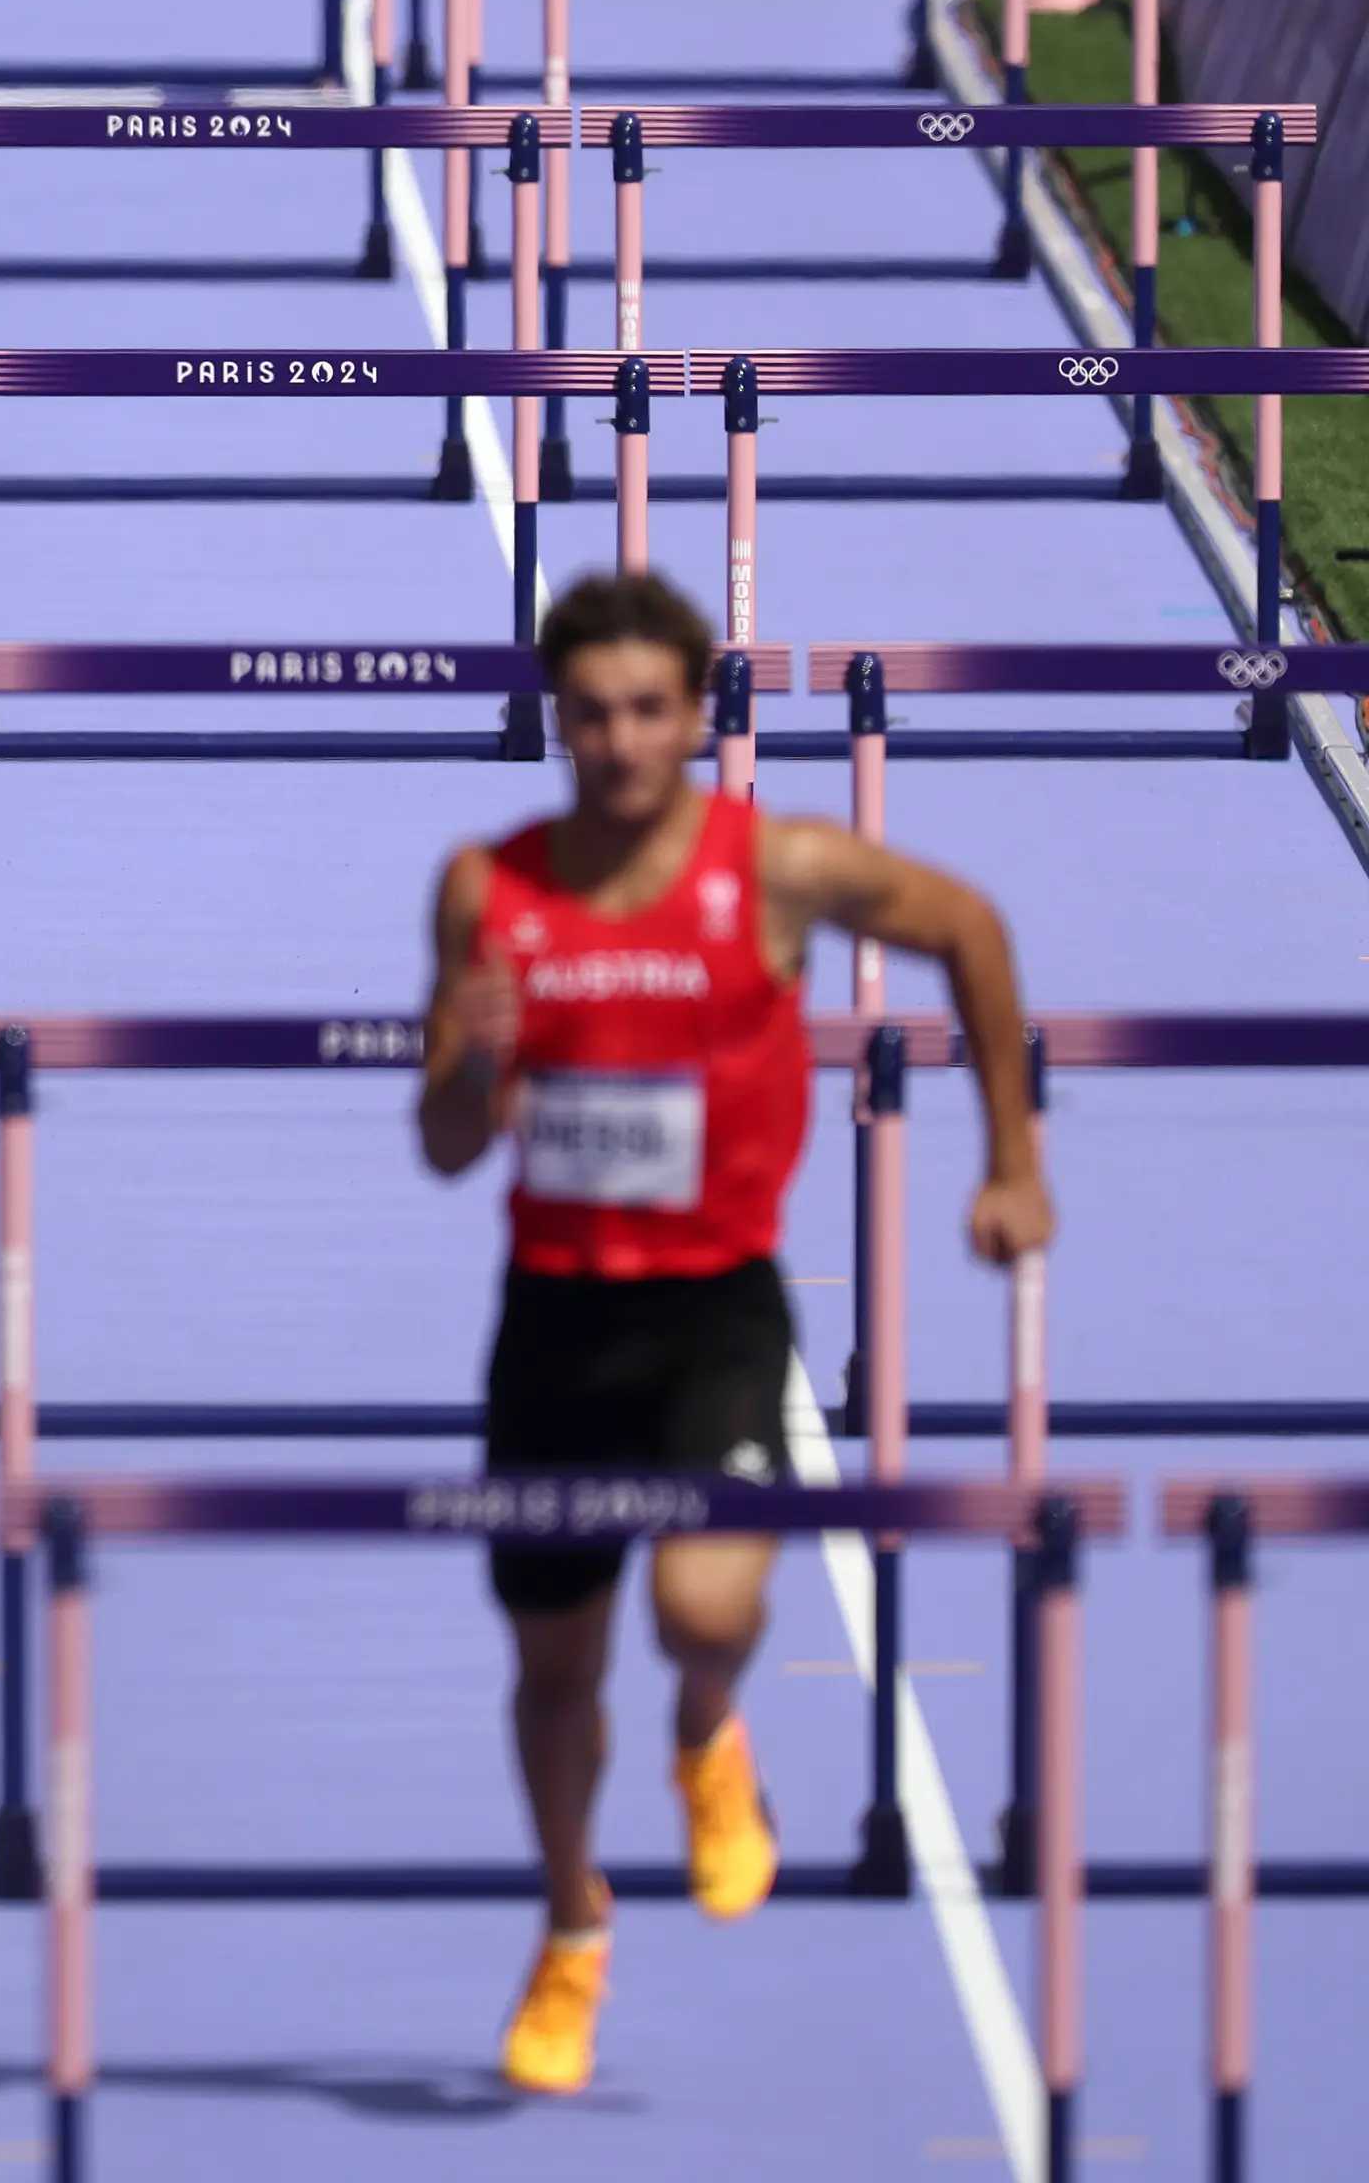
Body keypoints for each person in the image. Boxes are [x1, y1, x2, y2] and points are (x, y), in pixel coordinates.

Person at [413, 571, 1053, 2095]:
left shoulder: (774, 868)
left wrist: (1014, 1162)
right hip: (555, 1320)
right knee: (553, 1664)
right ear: (556, 719)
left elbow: (972, 930)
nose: (623, 741)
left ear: (698, 716)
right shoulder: (486, 889)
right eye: (593, 713)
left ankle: (710, 1733)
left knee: (702, 1611)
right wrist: (473, 1065)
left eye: (650, 710)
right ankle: (573, 1925)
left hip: (713, 1313)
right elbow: (443, 1145)